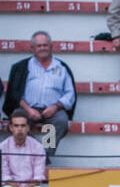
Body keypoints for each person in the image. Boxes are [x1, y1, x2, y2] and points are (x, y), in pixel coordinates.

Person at [3, 32, 77, 160]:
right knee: (16, 121)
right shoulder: (22, 67)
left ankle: (45, 154)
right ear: (32, 48)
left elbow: (70, 93)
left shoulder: (62, 67)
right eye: (39, 46)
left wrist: (55, 106)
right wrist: (28, 109)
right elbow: (14, 93)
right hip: (27, 109)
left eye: (45, 45)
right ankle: (36, 150)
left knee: (61, 121)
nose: (42, 48)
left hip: (53, 111)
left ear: (51, 46)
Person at [0, 113, 48, 187]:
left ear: (28, 128)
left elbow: (38, 177)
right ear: (11, 128)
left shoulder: (37, 147)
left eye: (23, 125)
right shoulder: (2, 147)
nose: (19, 129)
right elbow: (4, 176)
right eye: (16, 125)